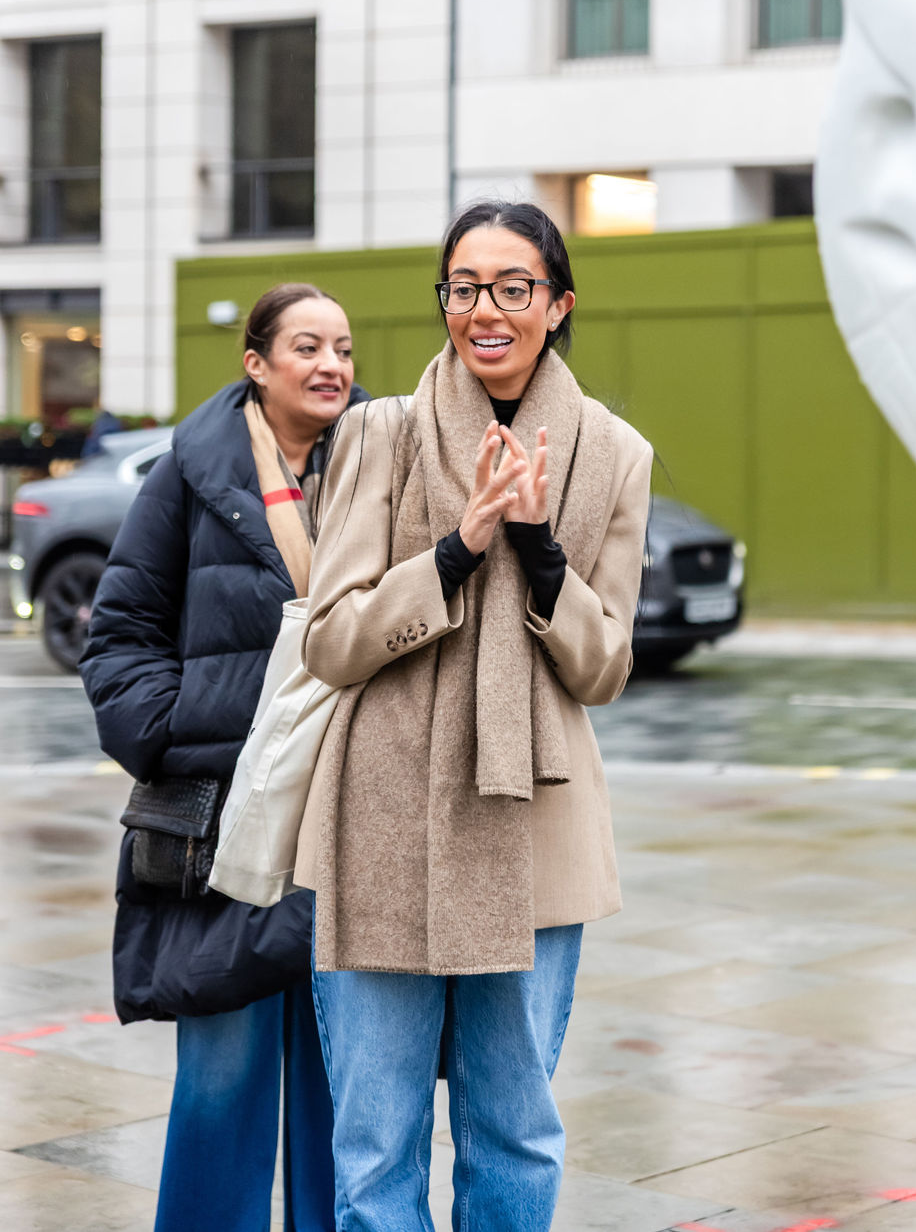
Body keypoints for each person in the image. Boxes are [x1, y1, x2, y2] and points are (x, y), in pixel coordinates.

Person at [297, 203, 653, 1231]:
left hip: (530, 830)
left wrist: (540, 553)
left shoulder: (613, 454)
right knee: (374, 1144)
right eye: (463, 286)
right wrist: (456, 550)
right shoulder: (380, 433)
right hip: (382, 820)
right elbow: (331, 640)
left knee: (515, 1131)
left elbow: (604, 668)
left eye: (511, 286)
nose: (483, 310)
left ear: (557, 303)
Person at [81, 283, 367, 1232]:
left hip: (346, 815)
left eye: (344, 349)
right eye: (308, 347)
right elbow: (118, 632)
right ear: (256, 363)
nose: (332, 366)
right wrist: (174, 730)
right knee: (223, 1068)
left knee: (348, 1076)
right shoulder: (187, 474)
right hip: (220, 822)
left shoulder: (378, 463)